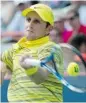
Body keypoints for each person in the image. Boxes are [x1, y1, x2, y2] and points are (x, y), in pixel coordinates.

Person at [0, 4, 64, 102]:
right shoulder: (14, 49)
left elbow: (40, 77)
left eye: (36, 21)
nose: (30, 24)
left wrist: (29, 68)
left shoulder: (51, 49)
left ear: (49, 29)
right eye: (28, 19)